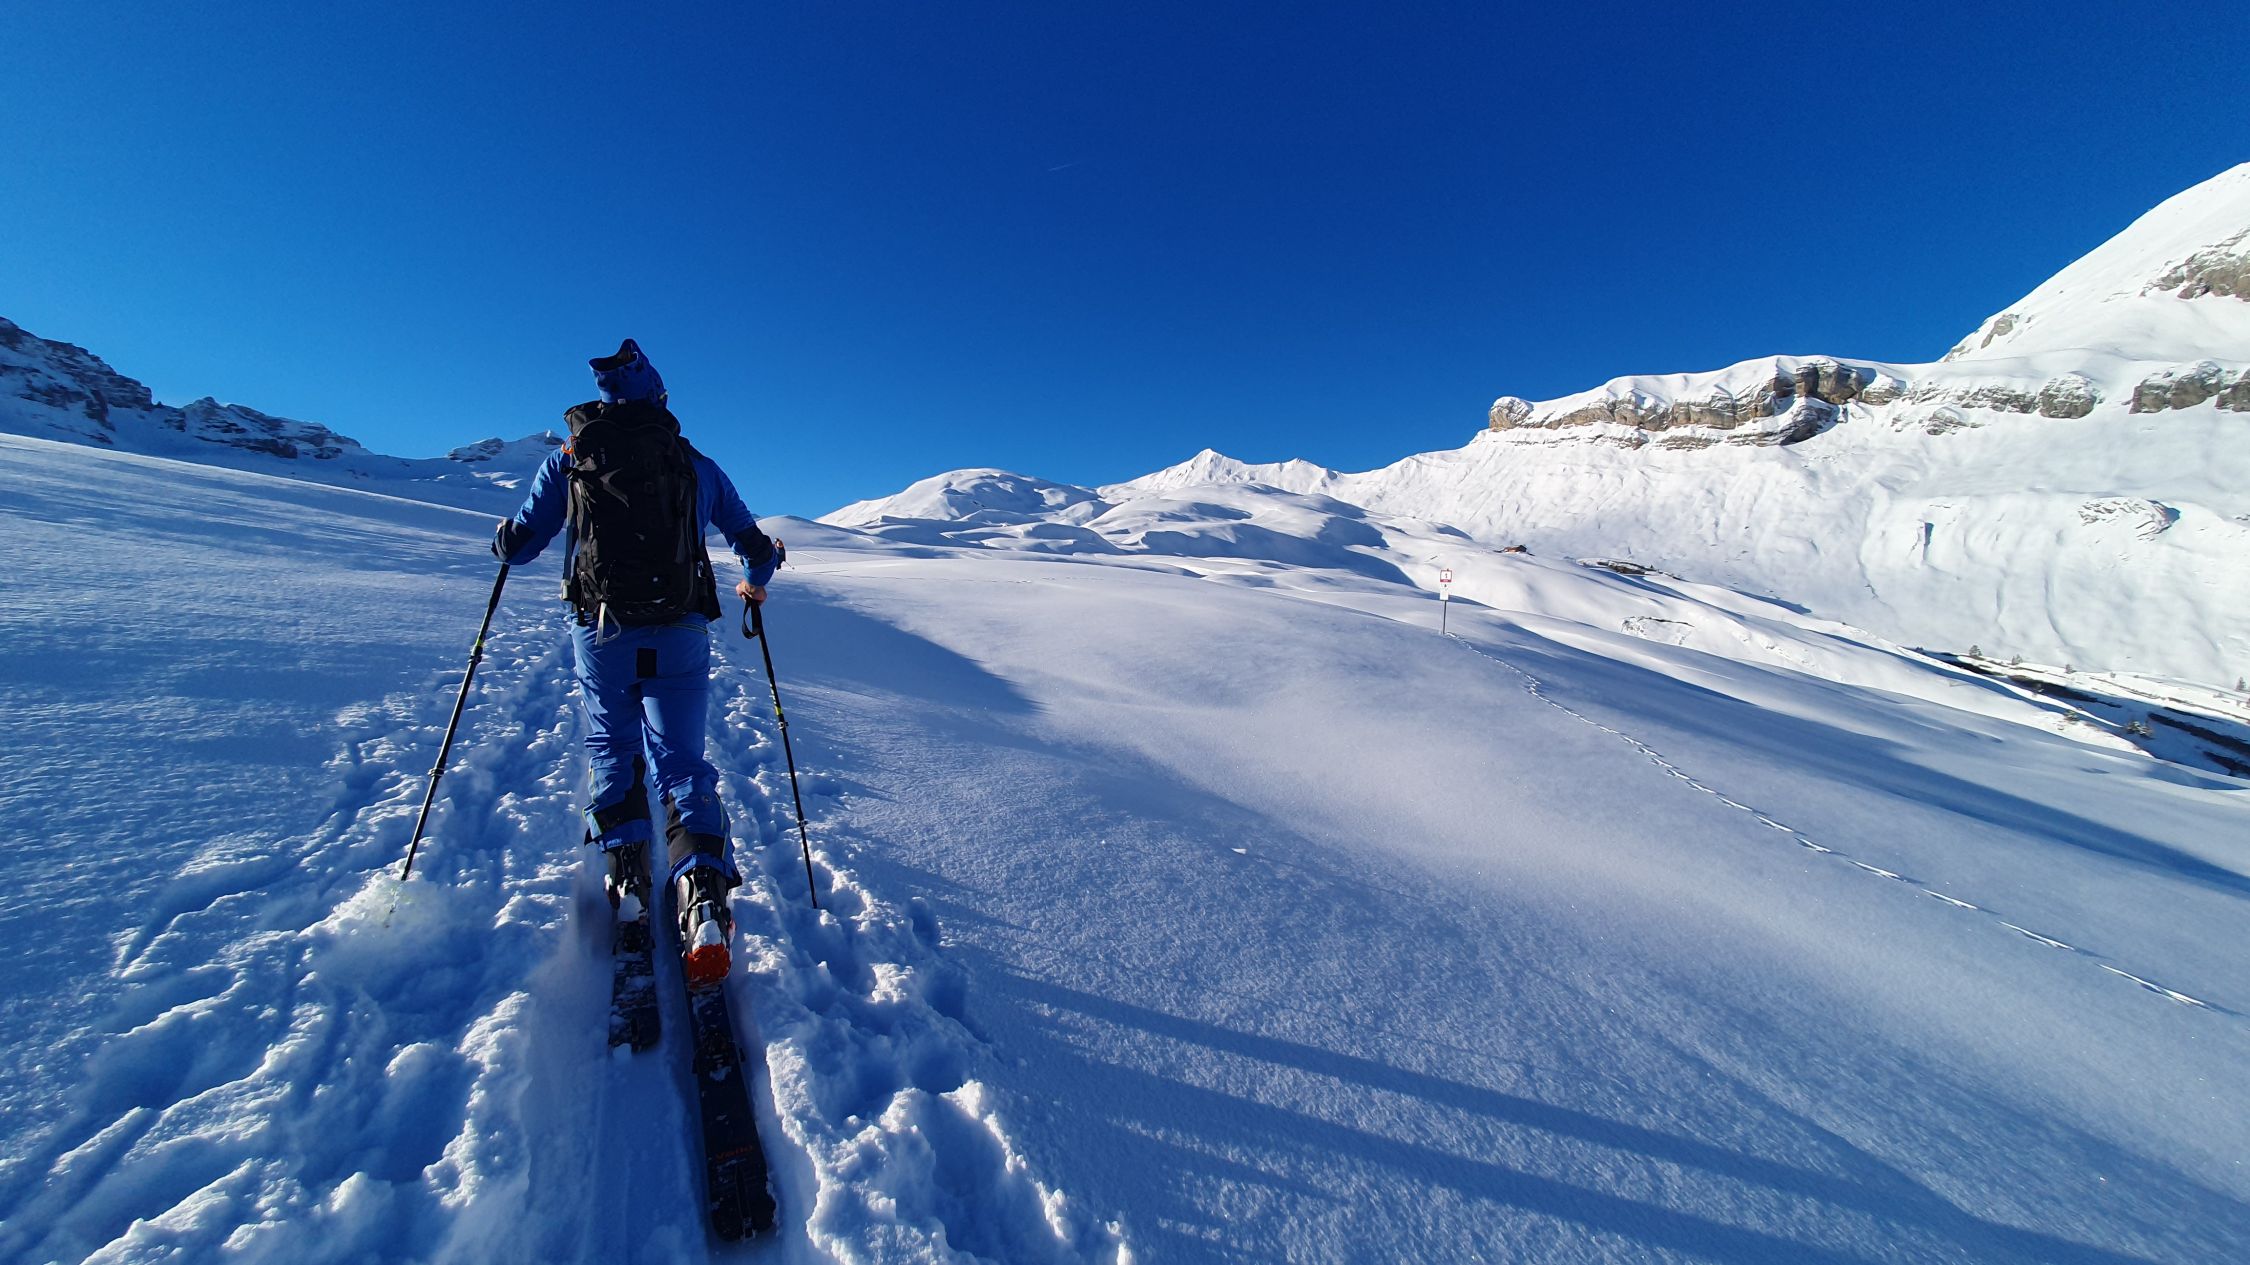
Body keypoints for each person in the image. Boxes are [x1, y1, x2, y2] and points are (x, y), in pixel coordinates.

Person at [494, 339, 779, 985]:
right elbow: (754, 546)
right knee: (681, 763)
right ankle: (703, 899)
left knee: (612, 747)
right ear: (660, 398)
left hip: (601, 631)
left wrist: (503, 542)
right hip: (680, 629)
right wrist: (754, 583)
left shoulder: (570, 459)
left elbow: (523, 544)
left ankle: (628, 880)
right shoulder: (695, 464)